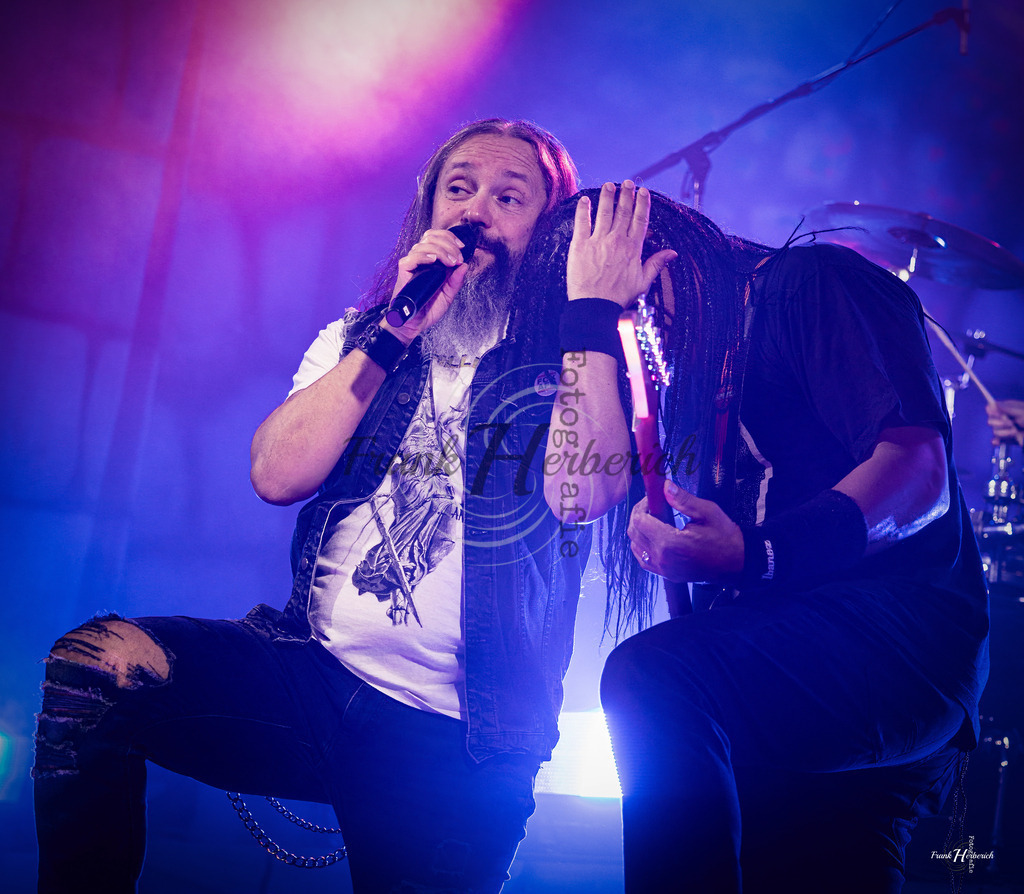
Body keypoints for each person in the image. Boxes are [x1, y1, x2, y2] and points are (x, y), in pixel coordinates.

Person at [32, 118, 593, 894]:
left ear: (550, 228)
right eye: (458, 189)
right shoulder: (361, 339)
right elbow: (276, 472)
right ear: (428, 210)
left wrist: (596, 320)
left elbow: (586, 494)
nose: (476, 213)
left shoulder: (575, 365)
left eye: (509, 197)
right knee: (97, 663)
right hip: (313, 678)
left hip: (457, 744)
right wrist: (395, 332)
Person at [530, 182, 990, 892]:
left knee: (651, 674)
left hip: (893, 644)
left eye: (629, 298)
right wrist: (588, 323)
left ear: (665, 260)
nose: (639, 329)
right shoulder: (666, 377)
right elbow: (575, 497)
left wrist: (757, 552)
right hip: (777, 671)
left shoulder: (811, 285)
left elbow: (919, 471)